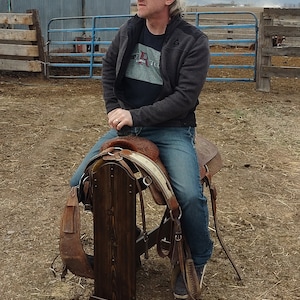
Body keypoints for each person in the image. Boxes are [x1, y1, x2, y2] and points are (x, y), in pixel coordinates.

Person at [70, 0, 213, 298]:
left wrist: (136, 115)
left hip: (172, 128)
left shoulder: (193, 41)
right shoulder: (130, 28)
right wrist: (114, 108)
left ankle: (197, 257)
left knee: (187, 193)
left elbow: (185, 97)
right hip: (129, 125)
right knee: (80, 183)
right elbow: (109, 67)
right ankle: (127, 240)